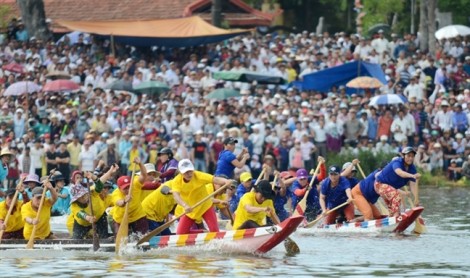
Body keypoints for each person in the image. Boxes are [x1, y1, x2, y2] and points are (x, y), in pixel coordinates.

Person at [168, 159, 230, 234]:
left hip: (205, 206)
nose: (189, 174)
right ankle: (202, 232)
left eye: (190, 171)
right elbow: (176, 195)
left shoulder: (198, 175)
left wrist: (226, 181)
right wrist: (185, 205)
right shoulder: (176, 181)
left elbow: (215, 179)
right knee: (180, 234)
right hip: (190, 209)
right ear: (181, 172)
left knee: (214, 231)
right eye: (186, 172)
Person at [69, 165, 118, 239]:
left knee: (104, 238)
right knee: (75, 242)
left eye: (84, 195)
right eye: (80, 197)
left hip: (100, 218)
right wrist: (88, 217)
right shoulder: (74, 205)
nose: (84, 197)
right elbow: (80, 214)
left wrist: (93, 176)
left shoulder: (91, 192)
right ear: (76, 199)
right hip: (82, 224)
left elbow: (100, 183)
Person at [374, 147, 420, 217]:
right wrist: (413, 176)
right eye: (408, 156)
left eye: (412, 156)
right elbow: (399, 172)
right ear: (403, 156)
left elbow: (413, 185)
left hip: (390, 189)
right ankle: (396, 218)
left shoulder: (412, 168)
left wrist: (416, 198)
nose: (410, 158)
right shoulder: (397, 162)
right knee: (397, 195)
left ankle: (391, 221)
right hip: (380, 185)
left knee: (393, 210)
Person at [112, 157, 149, 236]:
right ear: (119, 188)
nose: (128, 189)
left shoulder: (135, 184)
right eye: (125, 188)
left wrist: (140, 164)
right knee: (121, 241)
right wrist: (124, 201)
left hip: (137, 216)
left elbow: (144, 175)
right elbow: (119, 203)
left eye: (129, 187)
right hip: (120, 219)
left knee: (143, 237)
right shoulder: (115, 193)